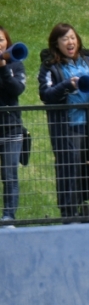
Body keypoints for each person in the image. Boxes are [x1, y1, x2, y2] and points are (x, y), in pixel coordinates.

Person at [38, 23, 89, 219]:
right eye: (65, 39)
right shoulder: (50, 66)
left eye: (72, 37)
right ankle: (70, 212)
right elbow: (46, 94)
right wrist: (67, 85)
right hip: (70, 126)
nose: (70, 42)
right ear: (56, 43)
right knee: (70, 168)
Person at [0, 26, 26, 224]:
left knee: (10, 175)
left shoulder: (16, 64)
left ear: (7, 42)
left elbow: (17, 89)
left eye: (1, 40)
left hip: (11, 130)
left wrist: (3, 69)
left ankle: (9, 217)